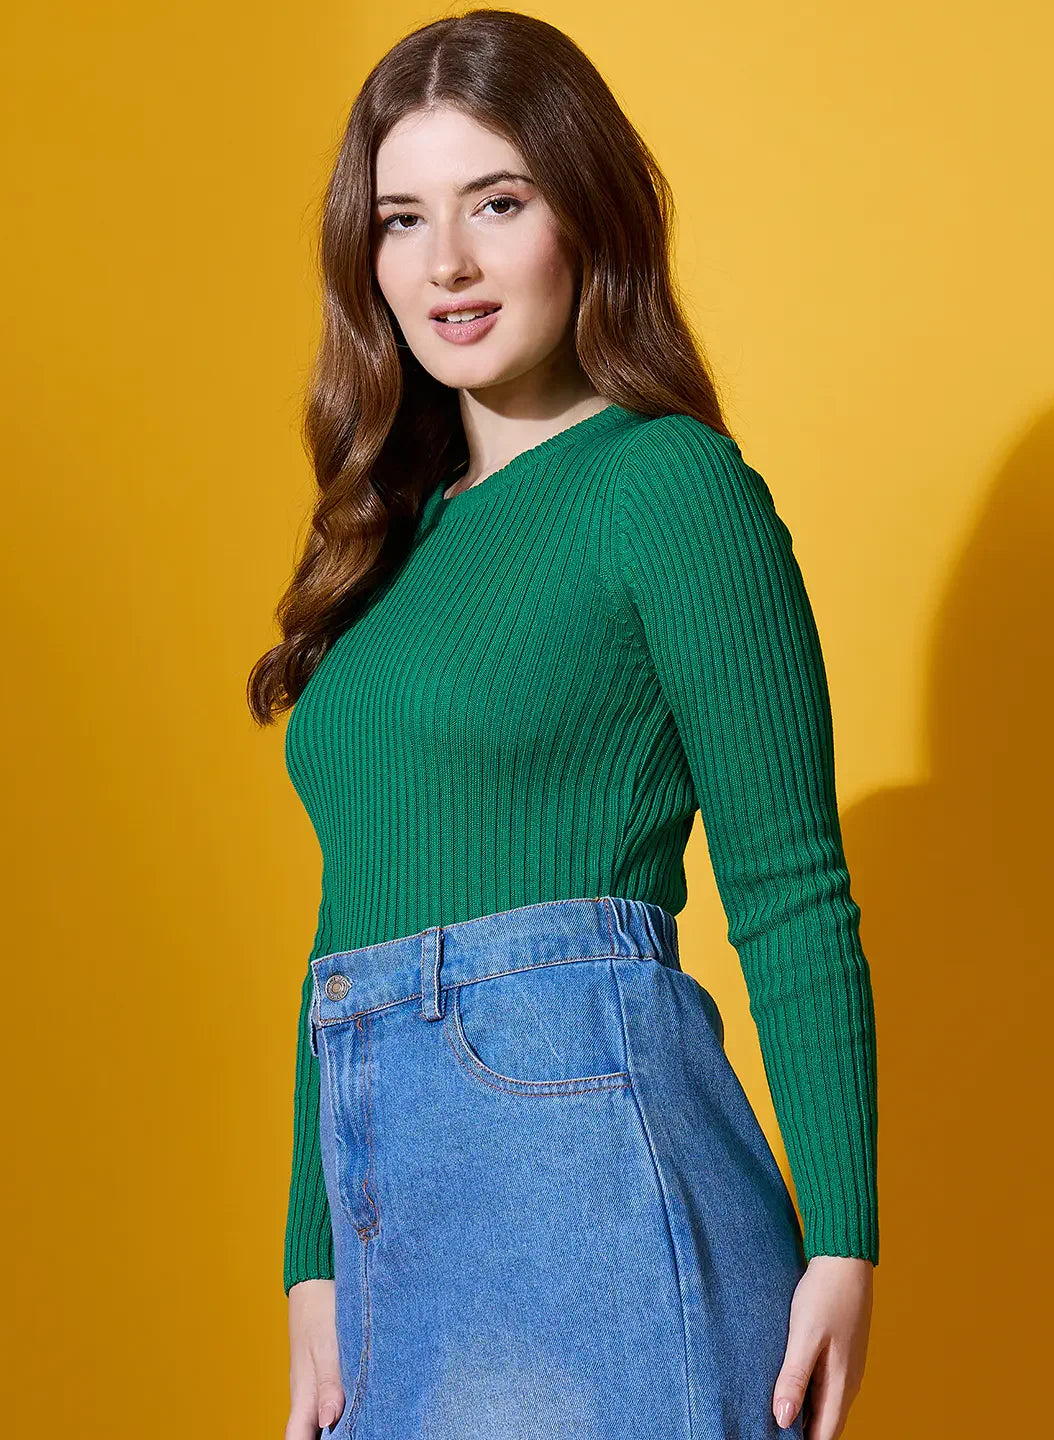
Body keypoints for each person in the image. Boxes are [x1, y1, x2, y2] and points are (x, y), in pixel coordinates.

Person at [248, 10, 879, 1439]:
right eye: (403, 218)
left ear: (585, 212)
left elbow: (789, 887)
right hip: (387, 1187)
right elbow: (348, 924)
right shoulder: (386, 548)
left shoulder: (668, 486)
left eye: (499, 202)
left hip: (586, 1171)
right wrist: (313, 1260)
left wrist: (842, 1235)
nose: (447, 264)